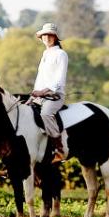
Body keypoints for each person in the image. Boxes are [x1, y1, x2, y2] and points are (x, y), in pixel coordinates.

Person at [28, 22, 68, 164]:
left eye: (50, 35)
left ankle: (59, 149)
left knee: (46, 114)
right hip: (39, 96)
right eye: (45, 35)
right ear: (41, 38)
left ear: (55, 37)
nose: (47, 37)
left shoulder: (61, 54)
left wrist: (43, 91)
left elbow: (59, 80)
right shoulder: (45, 54)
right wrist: (34, 95)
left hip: (55, 96)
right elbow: (41, 79)